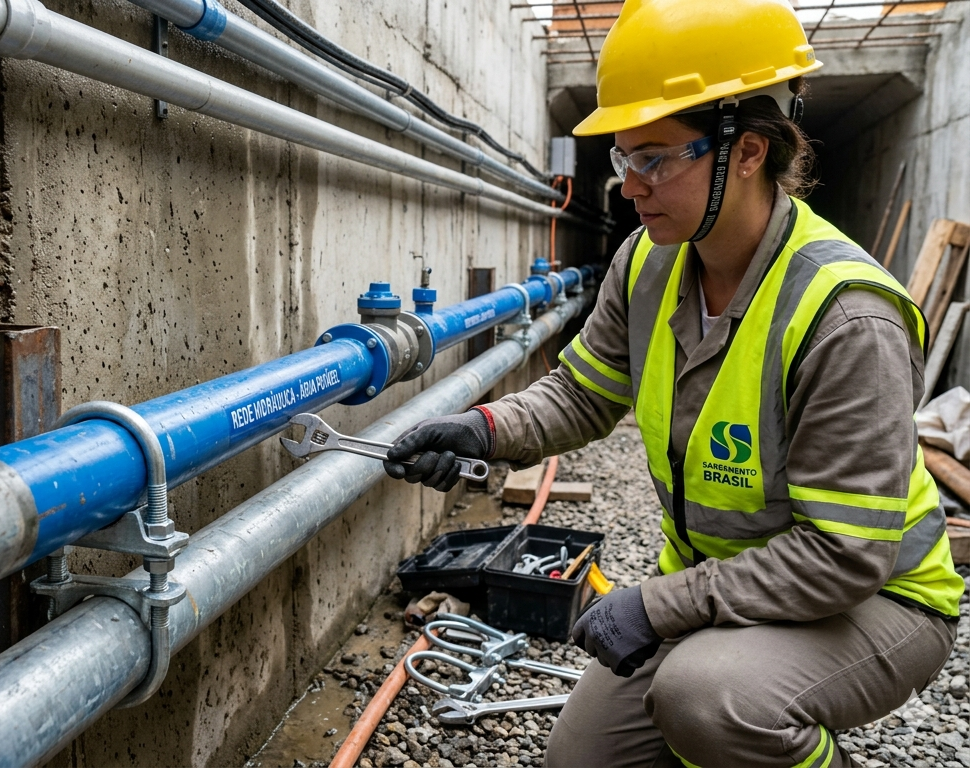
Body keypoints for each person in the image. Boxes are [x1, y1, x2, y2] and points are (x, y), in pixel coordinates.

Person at [383, 0, 964, 765]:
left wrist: (658, 606)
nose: (629, 187)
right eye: (623, 159)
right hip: (723, 579)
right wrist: (482, 430)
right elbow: (583, 394)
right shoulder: (648, 262)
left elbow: (841, 555)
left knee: (708, 699)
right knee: (579, 761)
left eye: (654, 159)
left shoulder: (847, 318)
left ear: (747, 151)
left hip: (874, 595)